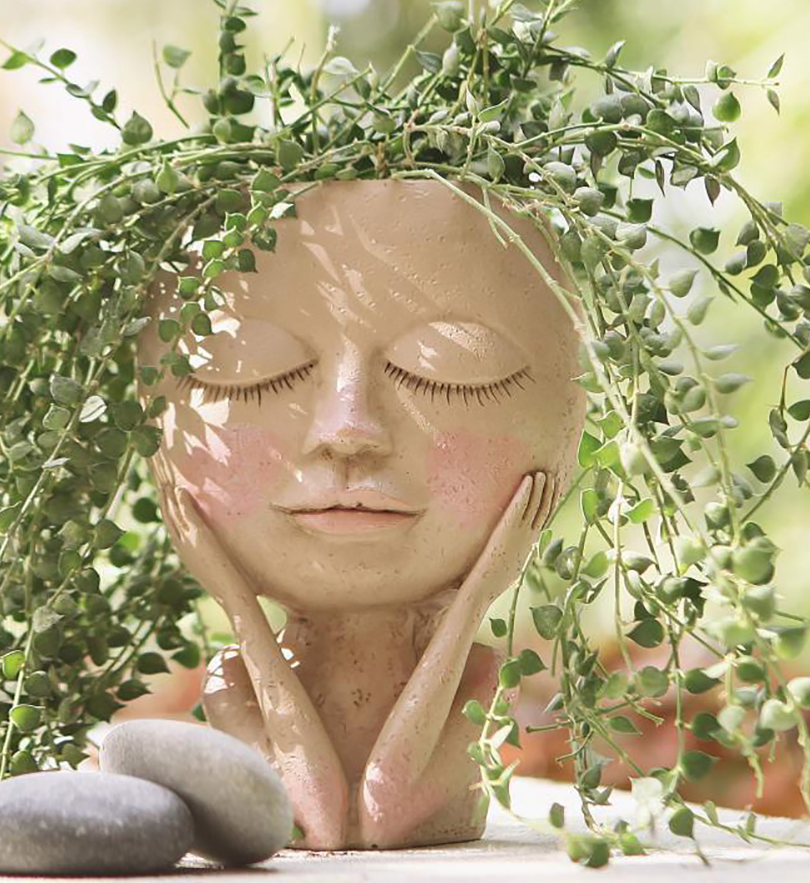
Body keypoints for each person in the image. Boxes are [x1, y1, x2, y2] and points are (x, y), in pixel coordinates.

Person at [136, 179, 586, 848]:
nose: (347, 430)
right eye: (252, 372)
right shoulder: (234, 677)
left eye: (446, 371)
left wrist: (474, 602)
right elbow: (310, 818)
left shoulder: (481, 671)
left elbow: (385, 813)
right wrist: (238, 607)